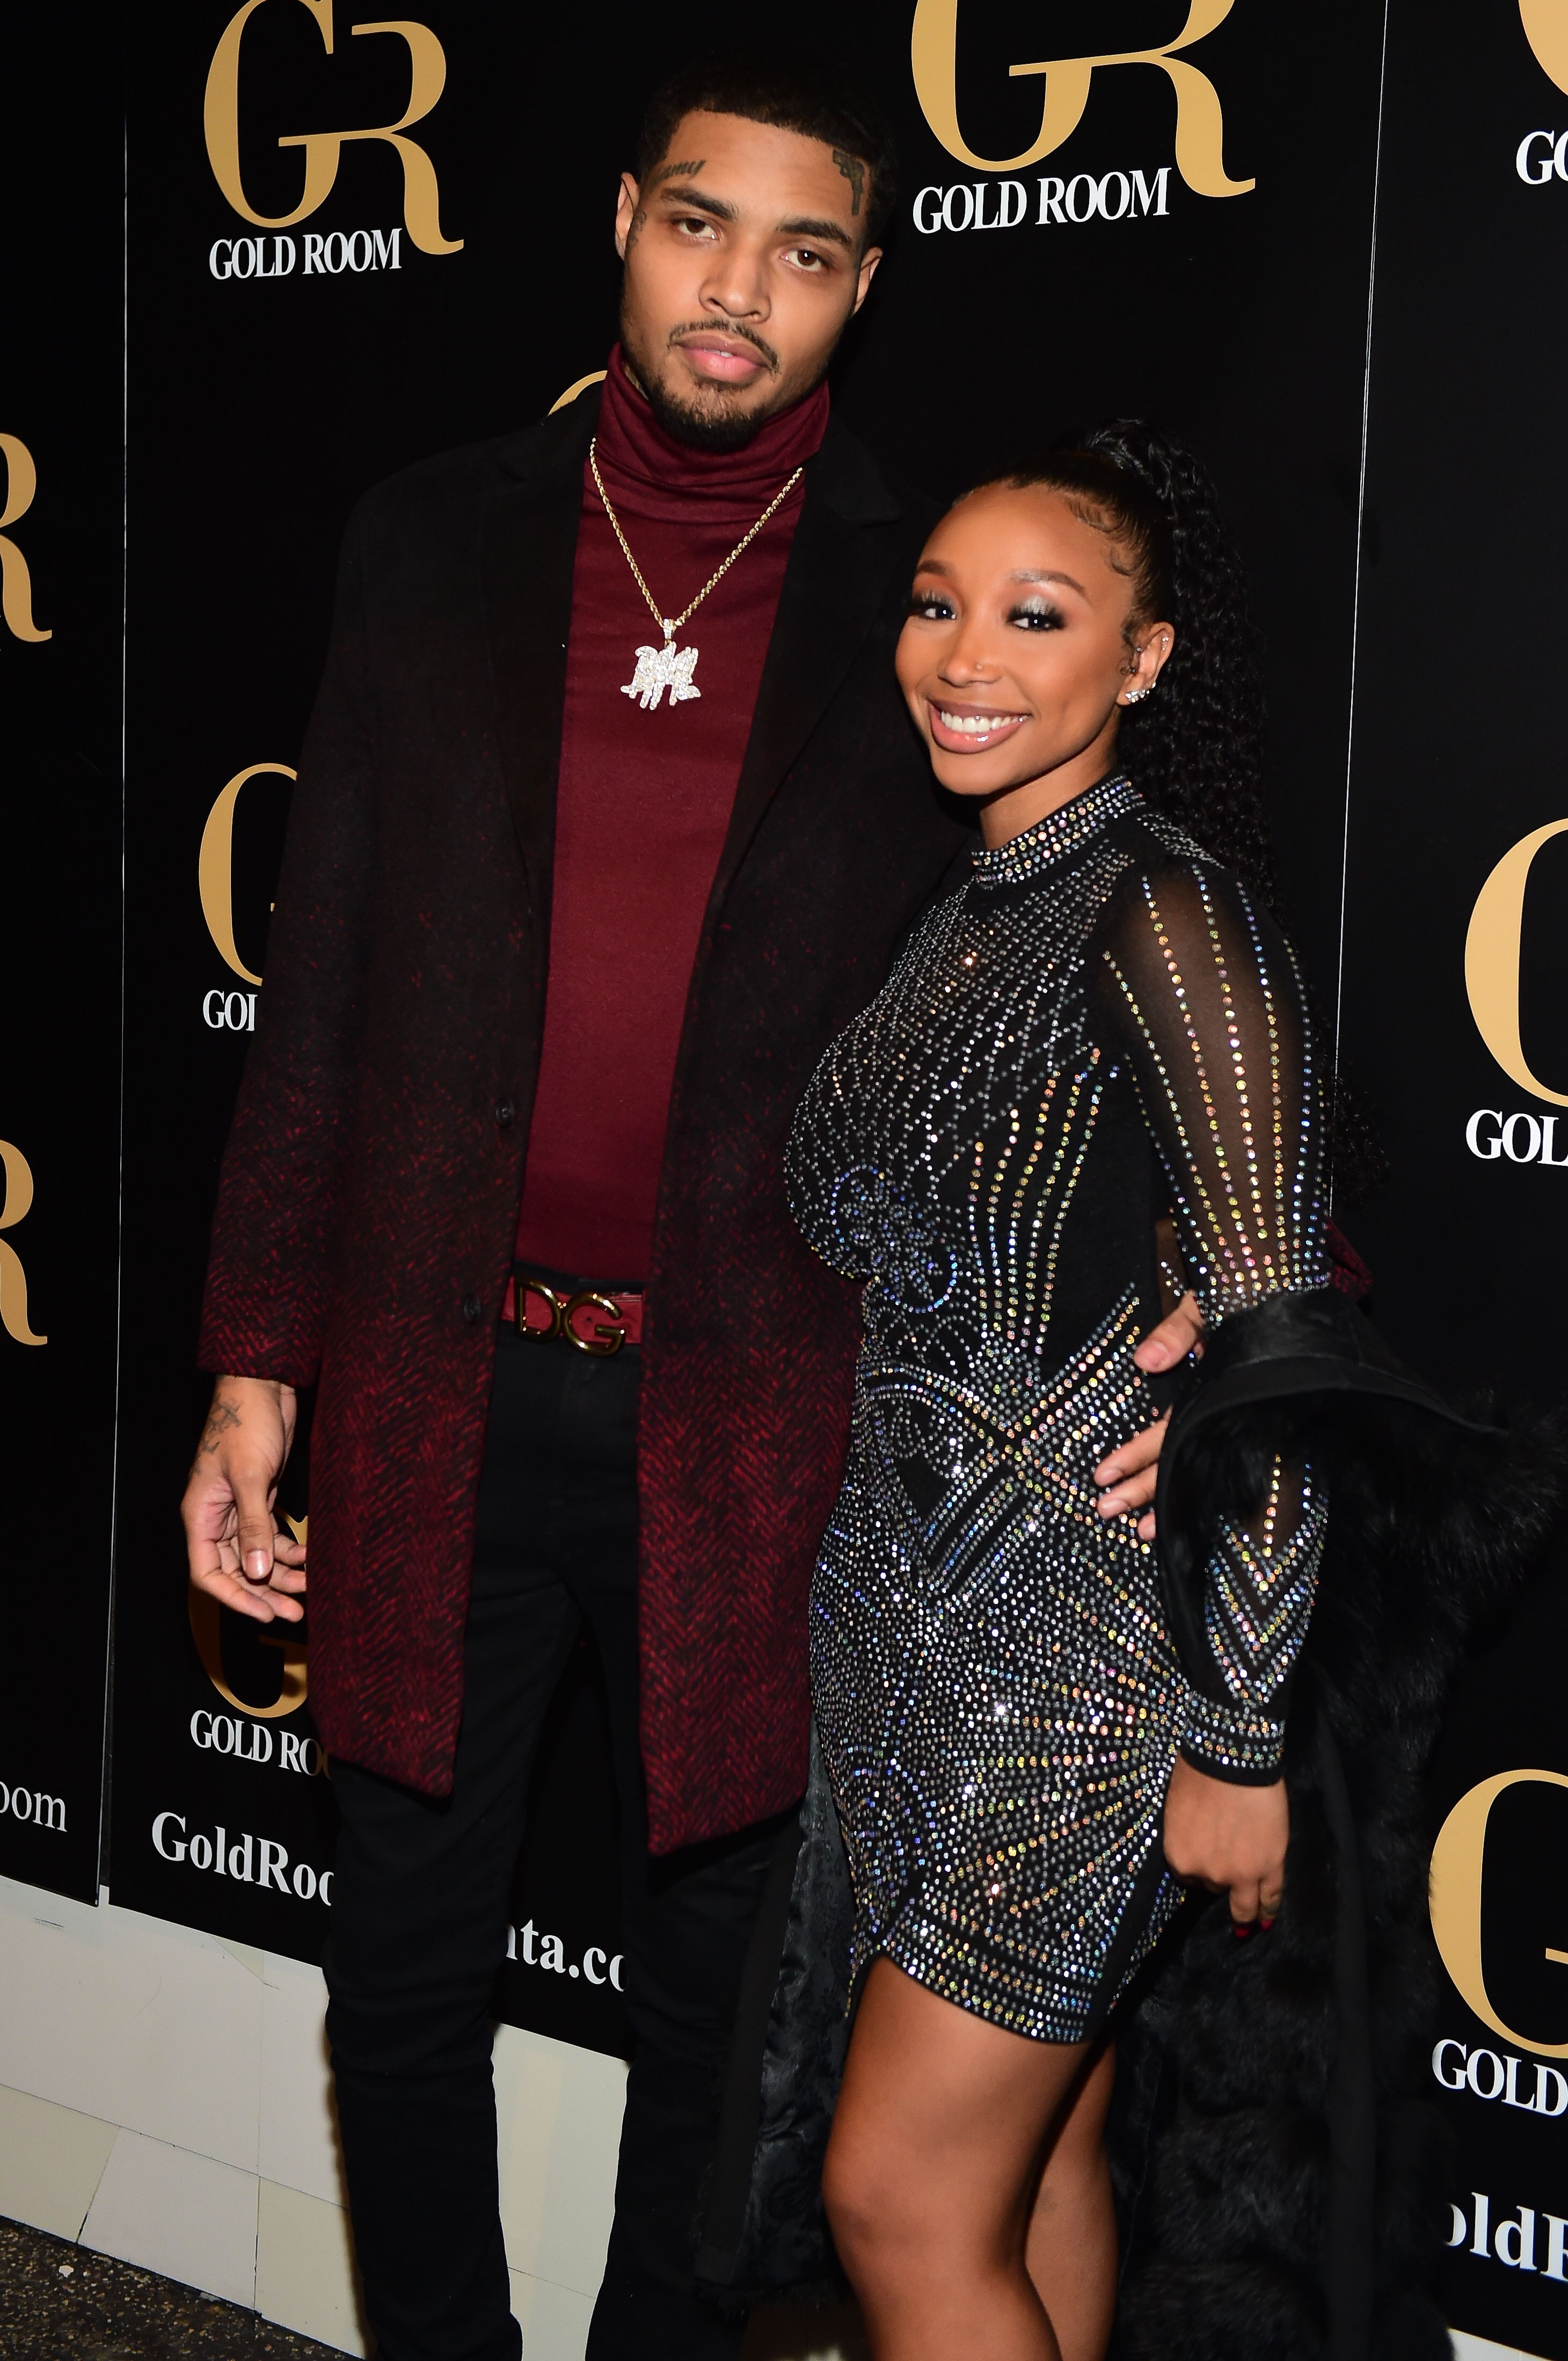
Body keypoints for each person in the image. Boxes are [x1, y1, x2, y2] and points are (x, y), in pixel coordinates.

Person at [178, 57, 1200, 2361]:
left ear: (858, 293)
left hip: (763, 1433)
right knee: (403, 1983)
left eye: (806, 251)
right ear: (623, 226)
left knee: (718, 2016)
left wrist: (1229, 1313)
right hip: (438, 1384)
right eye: (700, 226)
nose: (740, 290)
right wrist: (258, 1365)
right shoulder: (427, 537)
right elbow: (316, 964)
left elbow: (1109, 940)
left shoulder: (917, 595)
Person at [777, 425, 1484, 2360]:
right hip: (910, 1637)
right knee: (1039, 2163)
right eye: (935, 606)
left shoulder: (1164, 916)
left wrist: (1235, 1742)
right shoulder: (967, 899)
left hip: (1078, 1673)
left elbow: (1276, 1362)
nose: (964, 655)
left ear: (1144, 659)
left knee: (898, 2204)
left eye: (1034, 614)